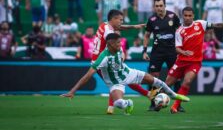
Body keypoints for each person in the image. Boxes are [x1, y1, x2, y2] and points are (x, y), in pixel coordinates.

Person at [61, 33, 190, 115]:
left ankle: (174, 96)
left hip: (129, 73)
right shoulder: (103, 57)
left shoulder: (117, 46)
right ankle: (129, 103)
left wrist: (122, 58)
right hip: (115, 83)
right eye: (118, 43)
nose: (120, 44)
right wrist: (73, 91)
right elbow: (87, 76)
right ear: (110, 44)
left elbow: (122, 53)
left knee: (156, 80)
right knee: (118, 103)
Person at [165, 7, 223, 113]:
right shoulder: (179, 31)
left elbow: (217, 25)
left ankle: (175, 106)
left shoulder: (200, 24)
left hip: (195, 62)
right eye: (185, 15)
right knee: (166, 84)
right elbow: (177, 48)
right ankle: (156, 102)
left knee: (187, 82)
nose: (187, 18)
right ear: (182, 16)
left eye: (190, 16)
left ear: (193, 16)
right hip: (181, 61)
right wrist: (184, 52)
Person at [89, 9, 150, 115]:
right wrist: (121, 55)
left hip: (97, 59)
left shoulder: (104, 25)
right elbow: (115, 46)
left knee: (117, 80)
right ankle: (147, 94)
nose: (121, 23)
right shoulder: (109, 33)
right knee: (118, 80)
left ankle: (111, 107)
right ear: (114, 19)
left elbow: (119, 27)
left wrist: (133, 26)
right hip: (102, 62)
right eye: (120, 20)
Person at [142, 0, 182, 111]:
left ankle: (177, 105)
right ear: (154, 7)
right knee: (153, 78)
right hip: (157, 52)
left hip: (172, 51)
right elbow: (147, 35)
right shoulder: (152, 20)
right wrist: (144, 51)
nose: (159, 8)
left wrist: (180, 48)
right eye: (157, 6)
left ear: (165, 5)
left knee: (176, 77)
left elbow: (180, 32)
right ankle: (153, 103)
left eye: (161, 6)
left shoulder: (173, 16)